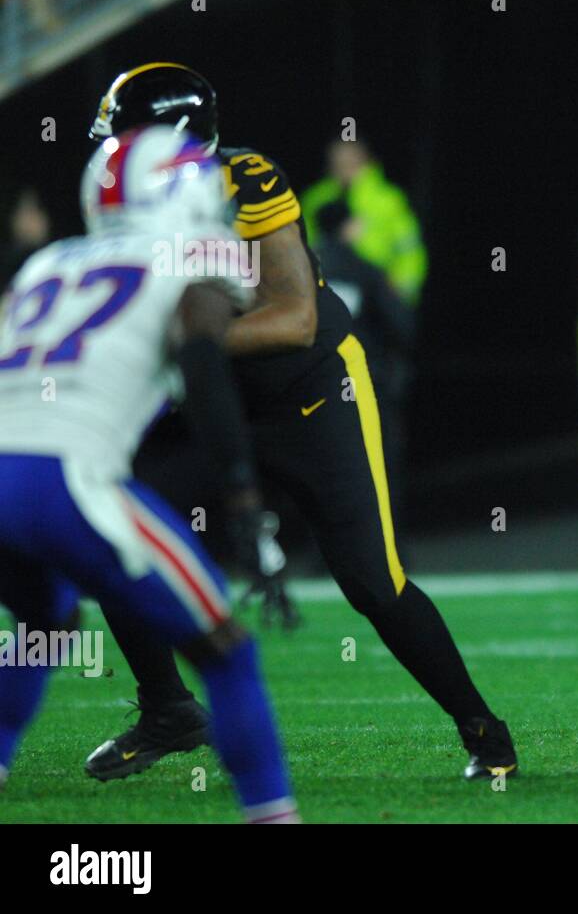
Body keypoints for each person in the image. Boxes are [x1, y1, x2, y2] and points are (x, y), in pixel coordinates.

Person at [81, 63, 516, 782]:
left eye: (123, 139)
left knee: (374, 584)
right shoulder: (128, 212)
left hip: (312, 394)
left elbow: (293, 317)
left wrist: (174, 345)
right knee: (107, 523)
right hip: (219, 405)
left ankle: (484, 729)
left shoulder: (243, 181)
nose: (109, 158)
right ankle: (167, 709)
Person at [0, 126, 297, 822]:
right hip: (64, 478)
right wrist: (246, 500)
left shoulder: (50, 263)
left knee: (46, 620)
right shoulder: (198, 251)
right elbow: (202, 360)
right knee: (225, 649)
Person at [300, 140, 427, 307]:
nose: (344, 169)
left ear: (365, 162)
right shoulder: (317, 199)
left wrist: (402, 285)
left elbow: (410, 249)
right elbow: (303, 244)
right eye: (338, 164)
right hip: (330, 282)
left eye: (351, 163)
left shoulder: (389, 200)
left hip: (377, 287)